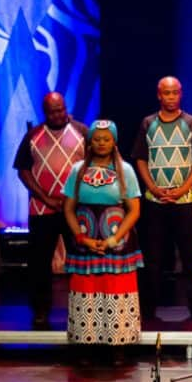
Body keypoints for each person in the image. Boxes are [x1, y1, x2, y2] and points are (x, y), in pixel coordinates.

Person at [62, 120, 142, 366]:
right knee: (87, 289)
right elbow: (68, 209)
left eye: (106, 139)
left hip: (116, 239)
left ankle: (118, 347)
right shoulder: (77, 170)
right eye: (97, 139)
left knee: (114, 288)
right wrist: (82, 237)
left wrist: (114, 239)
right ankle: (87, 347)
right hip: (86, 239)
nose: (101, 143)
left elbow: (134, 210)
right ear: (89, 141)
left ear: (114, 141)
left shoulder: (125, 170)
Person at [132, 76, 192, 323]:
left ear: (180, 94)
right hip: (155, 200)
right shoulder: (148, 123)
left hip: (184, 201)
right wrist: (152, 186)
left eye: (175, 93)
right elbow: (141, 158)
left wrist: (184, 187)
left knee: (189, 258)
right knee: (152, 259)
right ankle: (148, 311)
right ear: (159, 95)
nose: (171, 97)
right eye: (166, 93)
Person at [13, 92, 87, 329]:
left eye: (61, 109)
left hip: (74, 209)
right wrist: (44, 197)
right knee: (39, 263)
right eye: (52, 111)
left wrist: (73, 199)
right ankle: (41, 311)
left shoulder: (82, 132)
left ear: (66, 107)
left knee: (79, 261)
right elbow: (22, 170)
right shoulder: (33, 136)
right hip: (41, 209)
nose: (58, 115)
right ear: (44, 111)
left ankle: (82, 309)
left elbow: (93, 168)